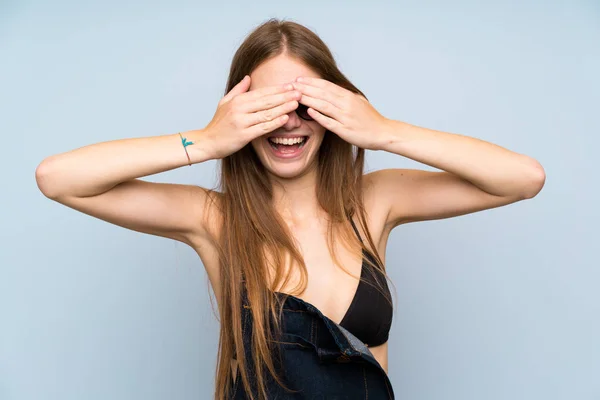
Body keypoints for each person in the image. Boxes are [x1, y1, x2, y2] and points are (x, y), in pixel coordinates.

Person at [35, 18, 546, 400]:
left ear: (334, 109)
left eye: (303, 104)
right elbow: (58, 179)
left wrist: (384, 130)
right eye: (268, 106)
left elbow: (523, 179)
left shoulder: (375, 202)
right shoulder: (214, 219)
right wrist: (208, 141)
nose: (287, 123)